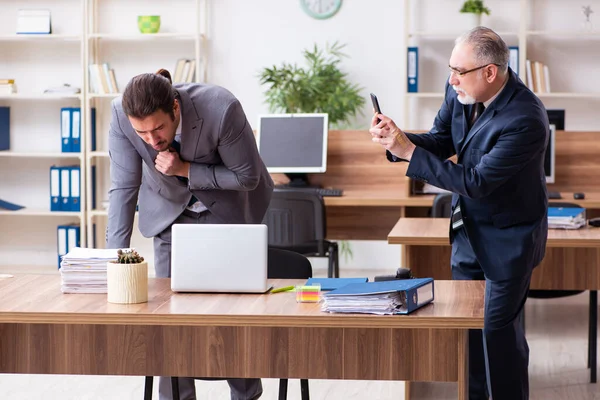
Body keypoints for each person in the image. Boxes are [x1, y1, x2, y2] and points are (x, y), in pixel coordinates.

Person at [370, 27, 548, 400]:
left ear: (489, 72)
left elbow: (477, 181)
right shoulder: (462, 92)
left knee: (498, 335)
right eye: (451, 70)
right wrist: (398, 140)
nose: (451, 80)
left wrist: (408, 152)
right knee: (468, 334)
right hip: (467, 234)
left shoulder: (526, 117)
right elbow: (440, 140)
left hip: (508, 242)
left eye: (459, 71)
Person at [106, 69, 273, 400]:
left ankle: (245, 395)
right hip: (169, 214)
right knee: (170, 321)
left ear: (176, 108)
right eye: (143, 133)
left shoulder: (221, 107)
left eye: (159, 129)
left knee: (232, 318)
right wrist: (114, 259)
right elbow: (124, 186)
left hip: (228, 212)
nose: (152, 141)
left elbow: (247, 177)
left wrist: (185, 169)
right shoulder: (120, 115)